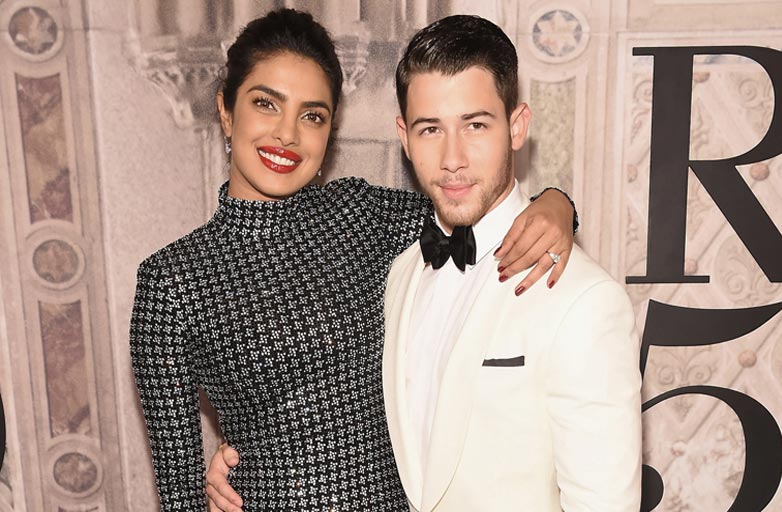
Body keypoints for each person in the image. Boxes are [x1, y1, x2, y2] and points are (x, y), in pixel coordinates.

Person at [130, 8, 576, 512]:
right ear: (227, 111)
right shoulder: (172, 282)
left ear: (330, 130)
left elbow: (481, 208)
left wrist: (557, 204)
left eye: (312, 115)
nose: (287, 134)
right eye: (266, 104)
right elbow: (180, 494)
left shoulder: (360, 215)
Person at [382, 15, 642, 511]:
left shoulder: (584, 300)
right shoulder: (400, 273)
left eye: (475, 125)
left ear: (517, 126)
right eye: (430, 129)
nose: (452, 158)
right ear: (405, 137)